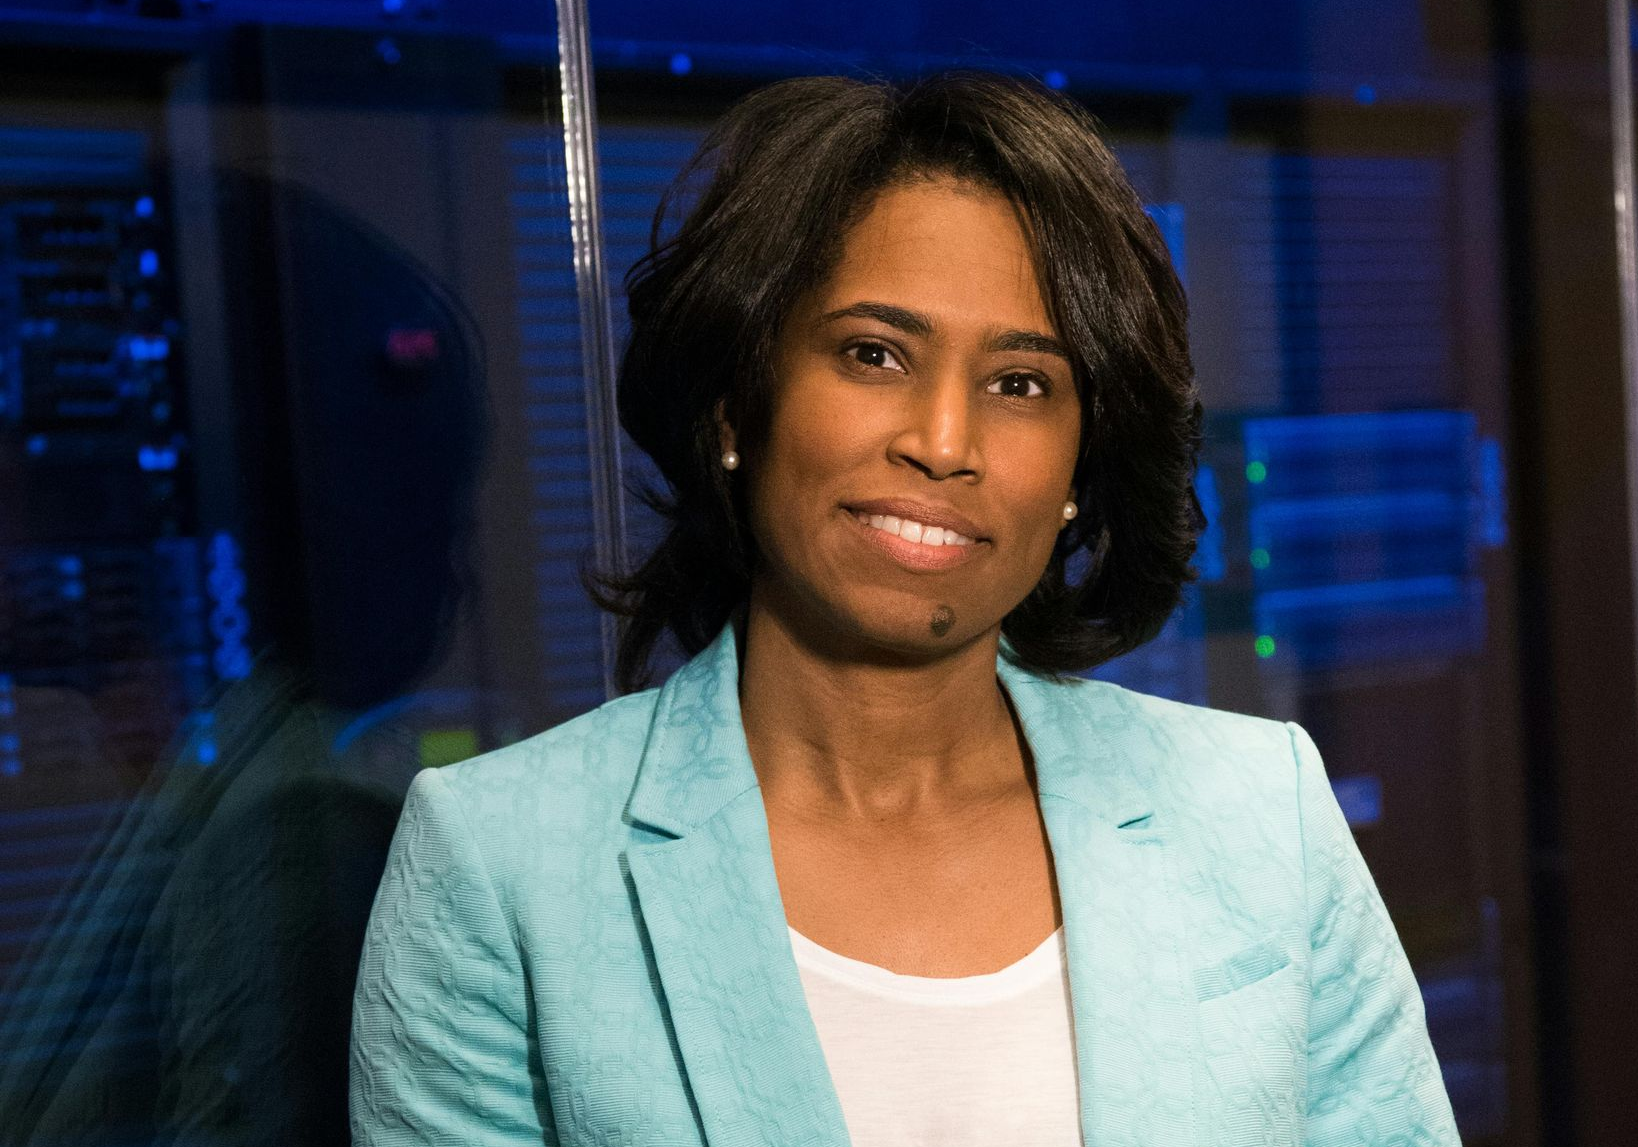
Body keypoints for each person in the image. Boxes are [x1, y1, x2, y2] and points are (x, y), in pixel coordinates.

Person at [347, 70, 1461, 1147]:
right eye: (873, 354)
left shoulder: (1262, 808)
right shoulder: (499, 863)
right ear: (739, 404)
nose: (941, 441)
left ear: (1079, 467)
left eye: (1020, 382)